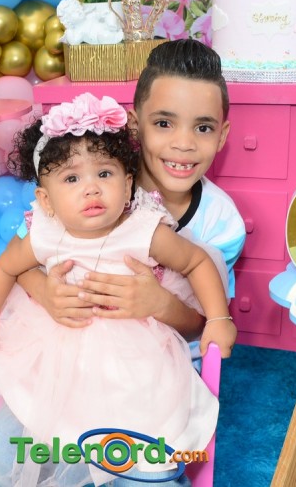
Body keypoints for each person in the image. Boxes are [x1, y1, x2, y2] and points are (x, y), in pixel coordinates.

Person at [0, 93, 236, 486]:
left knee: (146, 456)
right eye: (72, 179)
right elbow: (5, 268)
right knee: (14, 441)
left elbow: (196, 262)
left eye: (104, 175)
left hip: (133, 361)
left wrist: (219, 317)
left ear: (128, 184)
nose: (91, 189)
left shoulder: (143, 230)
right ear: (46, 200)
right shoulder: (44, 232)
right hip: (59, 354)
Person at [16, 39, 245, 355]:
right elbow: (19, 262)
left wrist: (162, 305)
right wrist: (45, 292)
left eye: (203, 128)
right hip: (74, 349)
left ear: (222, 136)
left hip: (167, 361)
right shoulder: (94, 186)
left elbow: (207, 327)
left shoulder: (223, 222)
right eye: (164, 123)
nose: (183, 143)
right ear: (135, 125)